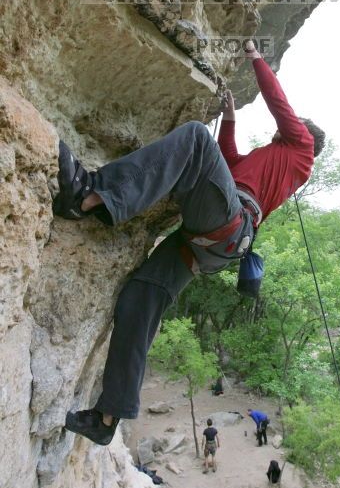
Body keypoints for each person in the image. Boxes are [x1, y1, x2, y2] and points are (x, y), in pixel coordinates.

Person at [58, 39, 326, 445]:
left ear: (304, 136)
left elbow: (280, 108)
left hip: (229, 223)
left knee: (196, 138)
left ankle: (90, 195)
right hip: (212, 242)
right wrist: (232, 119)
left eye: (294, 127)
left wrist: (256, 59)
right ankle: (107, 418)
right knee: (140, 298)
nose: (285, 127)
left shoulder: (300, 150)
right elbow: (229, 163)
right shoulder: (270, 157)